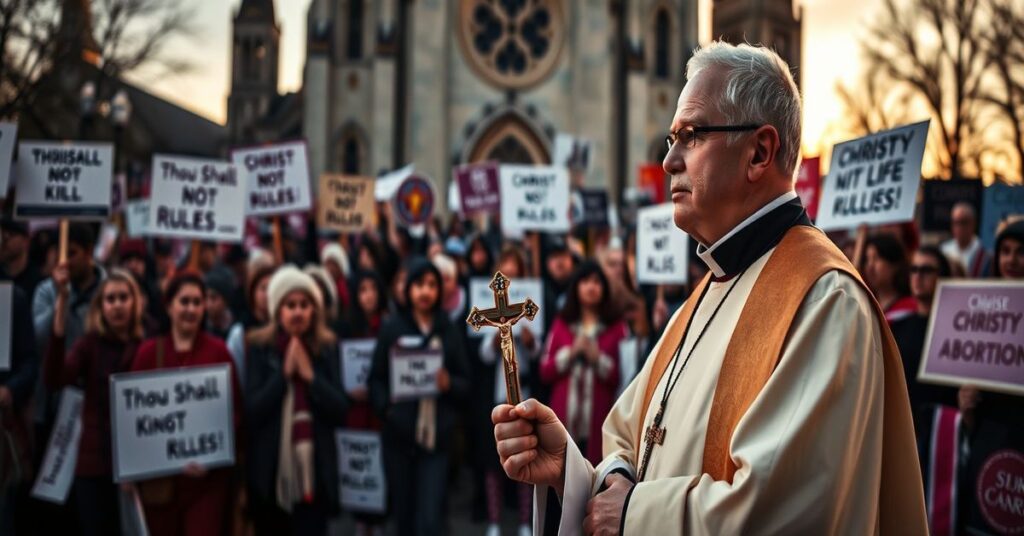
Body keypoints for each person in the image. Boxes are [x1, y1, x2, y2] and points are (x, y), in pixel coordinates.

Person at [492, 41, 926, 535]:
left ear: (759, 152)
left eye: (692, 136)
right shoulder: (707, 292)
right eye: (671, 140)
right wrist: (568, 470)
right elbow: (629, 442)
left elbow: (784, 512)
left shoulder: (825, 301)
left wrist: (635, 515)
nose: (670, 161)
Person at [130, 272, 242, 536]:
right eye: (184, 302)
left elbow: (234, 413)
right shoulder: (148, 353)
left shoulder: (218, 352)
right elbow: (132, 419)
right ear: (169, 306)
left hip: (207, 483)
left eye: (197, 302)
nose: (191, 309)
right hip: (160, 484)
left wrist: (211, 456)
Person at [368, 258, 471, 536]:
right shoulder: (393, 328)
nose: (425, 291)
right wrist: (387, 410)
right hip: (398, 439)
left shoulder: (448, 329)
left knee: (430, 518)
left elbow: (466, 383)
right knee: (404, 516)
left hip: (436, 441)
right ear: (408, 289)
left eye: (431, 285)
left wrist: (449, 383)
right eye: (418, 285)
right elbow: (376, 379)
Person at [244, 266, 349, 536]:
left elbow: (340, 410)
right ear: (278, 311)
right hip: (272, 475)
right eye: (290, 305)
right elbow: (253, 412)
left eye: (304, 305)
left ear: (314, 311)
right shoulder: (258, 347)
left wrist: (311, 377)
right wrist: (283, 375)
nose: (298, 312)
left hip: (315, 474)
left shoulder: (326, 348)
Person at [43, 269, 145, 536]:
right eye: (110, 299)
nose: (118, 305)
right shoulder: (88, 345)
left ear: (135, 302)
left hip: (139, 463)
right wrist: (60, 314)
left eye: (124, 297)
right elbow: (55, 379)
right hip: (95, 464)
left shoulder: (148, 342)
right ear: (101, 307)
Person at [955, 217, 1024, 534]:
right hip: (987, 449)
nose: (1011, 259)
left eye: (1020, 252)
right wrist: (968, 412)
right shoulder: (979, 310)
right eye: (1005, 251)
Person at [476, 246, 540, 536]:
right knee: (494, 461)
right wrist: (497, 334)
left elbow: (538, 351)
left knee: (525, 454)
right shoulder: (489, 312)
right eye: (506, 273)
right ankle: (493, 521)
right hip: (496, 394)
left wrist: (527, 341)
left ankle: (526, 522)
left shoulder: (527, 309)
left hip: (522, 391)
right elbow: (484, 357)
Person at [539, 260, 627, 465]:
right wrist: (570, 354)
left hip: (600, 422)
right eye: (585, 281)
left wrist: (598, 359)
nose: (591, 287)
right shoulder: (561, 324)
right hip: (564, 422)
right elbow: (545, 371)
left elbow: (623, 378)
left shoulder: (618, 328)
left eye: (597, 282)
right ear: (576, 287)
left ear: (604, 289)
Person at [337, 270, 389, 536]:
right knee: (358, 466)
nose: (368, 295)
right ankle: (361, 521)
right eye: (362, 290)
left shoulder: (389, 326)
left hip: (379, 413)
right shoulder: (345, 328)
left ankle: (378, 522)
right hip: (355, 414)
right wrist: (349, 392)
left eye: (373, 289)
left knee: (379, 466)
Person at [225, 265, 275, 390]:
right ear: (253, 293)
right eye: (263, 288)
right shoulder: (240, 332)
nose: (268, 294)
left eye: (273, 288)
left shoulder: (285, 330)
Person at [863, 233, 917, 324]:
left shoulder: (910, 308)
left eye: (876, 258)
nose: (870, 266)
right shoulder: (865, 306)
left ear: (895, 265)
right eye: (867, 259)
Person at [940, 202, 989, 277]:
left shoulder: (984, 254)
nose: (959, 227)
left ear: (973, 223)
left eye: (963, 222)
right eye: (956, 222)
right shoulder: (944, 251)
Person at [0, 218, 44, 297]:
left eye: (11, 234)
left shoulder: (37, 281)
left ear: (26, 241)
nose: (4, 240)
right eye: (2, 235)